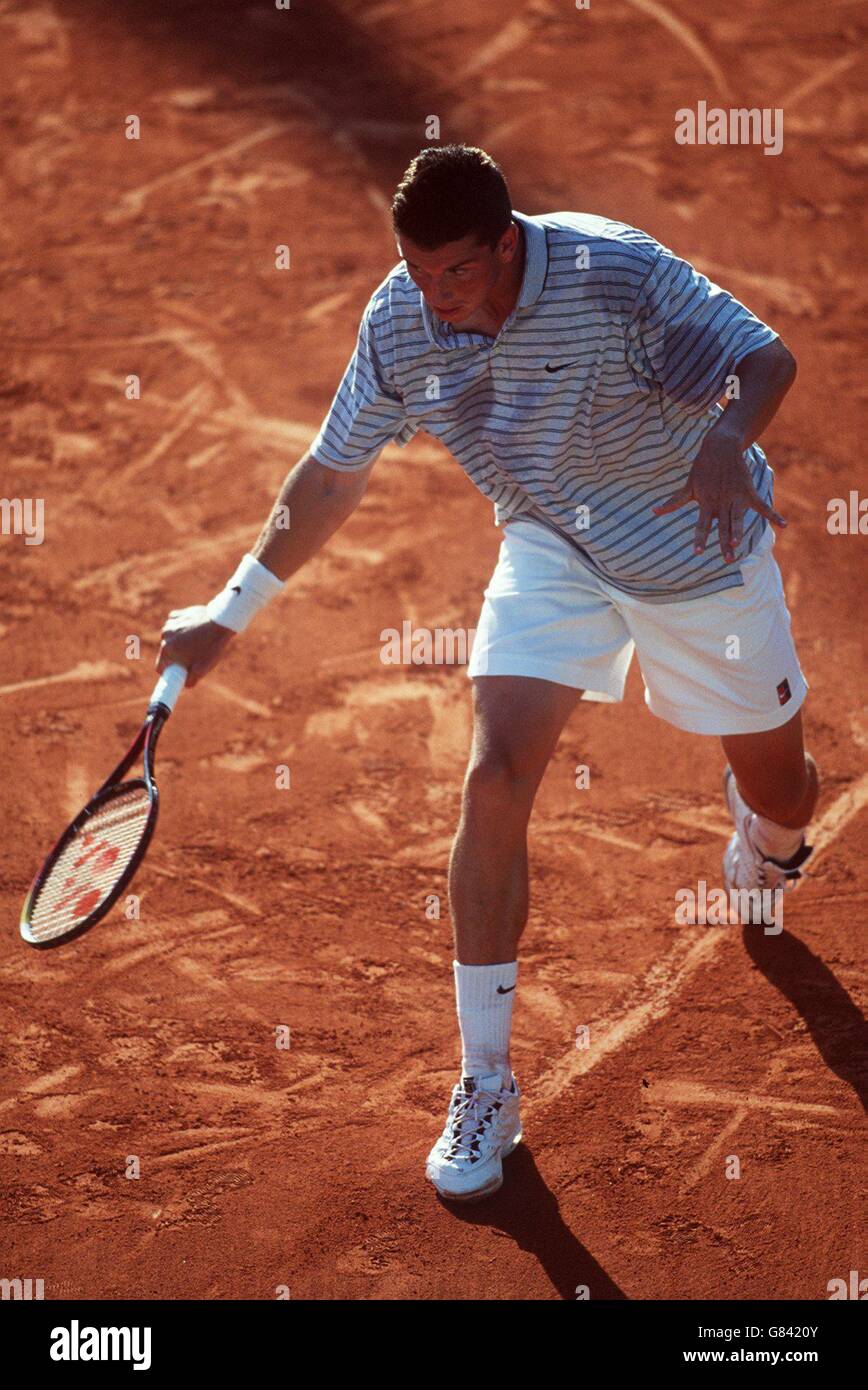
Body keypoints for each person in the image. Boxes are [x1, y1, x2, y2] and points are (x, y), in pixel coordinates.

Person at [157, 144, 817, 1203]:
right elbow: (330, 476)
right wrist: (227, 613)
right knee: (492, 778)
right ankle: (484, 1080)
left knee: (784, 789)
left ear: (506, 245)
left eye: (453, 273)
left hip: (695, 547)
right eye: (415, 272)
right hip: (552, 542)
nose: (432, 297)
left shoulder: (617, 273)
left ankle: (767, 832)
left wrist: (725, 435)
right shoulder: (399, 321)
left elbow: (766, 360)